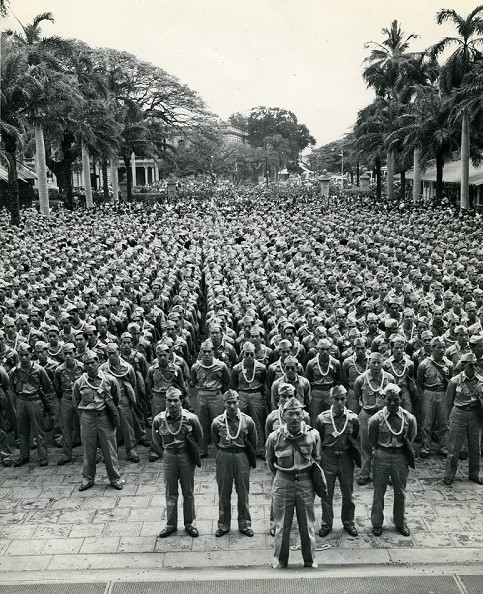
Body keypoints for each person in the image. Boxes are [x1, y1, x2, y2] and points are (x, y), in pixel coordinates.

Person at [266, 396, 322, 569]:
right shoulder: (275, 437)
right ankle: (280, 562)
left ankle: (310, 562)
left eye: (298, 413)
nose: (295, 418)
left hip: (305, 483)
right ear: (283, 415)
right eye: (291, 414)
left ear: (303, 414)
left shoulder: (313, 435)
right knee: (282, 525)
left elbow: (317, 459)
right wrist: (285, 476)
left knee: (308, 525)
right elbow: (270, 461)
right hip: (283, 482)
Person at [152, 386, 203, 538]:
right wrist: (166, 453)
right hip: (169, 456)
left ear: (181, 401)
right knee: (171, 492)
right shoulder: (159, 420)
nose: (172, 404)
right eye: (169, 400)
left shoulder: (190, 419)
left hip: (185, 456)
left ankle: (190, 523)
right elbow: (156, 441)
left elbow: (199, 437)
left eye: (176, 400)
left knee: (188, 492)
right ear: (165, 401)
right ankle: (171, 524)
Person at [368, 383, 417, 537]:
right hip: (382, 455)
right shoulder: (376, 419)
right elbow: (372, 438)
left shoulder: (409, 418)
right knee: (379, 491)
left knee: (400, 492)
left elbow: (411, 437)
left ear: (401, 399)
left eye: (396, 400)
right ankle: (377, 523)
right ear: (383, 399)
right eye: (389, 400)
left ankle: (400, 522)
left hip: (400, 456)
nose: (392, 403)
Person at [72, 350, 124, 491]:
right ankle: (87, 478)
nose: (90, 366)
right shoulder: (79, 382)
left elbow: (116, 397)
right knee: (88, 451)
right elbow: (76, 401)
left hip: (104, 417)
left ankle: (115, 478)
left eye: (93, 362)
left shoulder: (109, 380)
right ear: (84, 365)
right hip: (88, 418)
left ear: (98, 362)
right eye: (87, 363)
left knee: (110, 450)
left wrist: (110, 413)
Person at [211, 389, 257, 537]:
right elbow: (215, 441)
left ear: (239, 402)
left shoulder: (247, 420)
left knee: (243, 492)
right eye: (228, 403)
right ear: (223, 403)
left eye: (234, 402)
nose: (231, 406)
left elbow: (253, 440)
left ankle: (245, 524)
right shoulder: (217, 422)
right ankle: (224, 524)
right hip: (224, 456)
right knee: (224, 491)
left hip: (241, 456)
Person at [315, 385, 360, 538]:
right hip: (329, 458)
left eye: (342, 399)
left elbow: (355, 437)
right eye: (336, 399)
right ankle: (326, 524)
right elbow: (319, 438)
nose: (340, 402)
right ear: (331, 399)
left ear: (346, 399)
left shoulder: (353, 418)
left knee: (348, 493)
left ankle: (348, 522)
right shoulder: (323, 419)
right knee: (326, 493)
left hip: (346, 458)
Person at [9, 342, 54, 467]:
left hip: (35, 400)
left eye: (26, 354)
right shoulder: (15, 371)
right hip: (21, 400)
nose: (24, 357)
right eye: (21, 355)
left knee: (39, 431)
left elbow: (47, 385)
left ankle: (43, 456)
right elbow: (12, 386)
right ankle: (24, 455)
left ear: (31, 354)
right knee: (22, 431)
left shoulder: (39, 369)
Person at [353, 352, 394, 485]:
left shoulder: (389, 378)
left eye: (379, 363)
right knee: (365, 445)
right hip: (367, 414)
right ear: (368, 363)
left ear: (383, 363)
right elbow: (357, 395)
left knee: (384, 445)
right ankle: (365, 474)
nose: (376, 366)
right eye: (373, 363)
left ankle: (385, 474)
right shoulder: (360, 379)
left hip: (384, 415)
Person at [444, 352, 483, 485]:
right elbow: (448, 402)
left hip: (474, 414)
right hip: (458, 413)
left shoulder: (481, 381)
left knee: (475, 446)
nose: (473, 368)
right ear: (463, 365)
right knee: (454, 447)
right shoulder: (454, 381)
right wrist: (448, 419)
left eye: (475, 365)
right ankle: (449, 474)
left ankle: (475, 473)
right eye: (470, 365)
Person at [190, 339, 230, 457]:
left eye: (209, 351)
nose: (207, 354)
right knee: (203, 424)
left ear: (213, 352)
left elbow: (226, 381)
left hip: (216, 395)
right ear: (201, 352)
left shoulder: (221, 366)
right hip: (202, 395)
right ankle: (202, 449)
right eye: (204, 351)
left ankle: (222, 446)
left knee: (219, 423)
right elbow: (194, 380)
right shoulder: (195, 367)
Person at [416, 337, 453, 458]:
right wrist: (425, 393)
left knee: (444, 422)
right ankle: (425, 447)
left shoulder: (449, 364)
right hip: (428, 392)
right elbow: (420, 381)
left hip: (443, 393)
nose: (442, 350)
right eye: (439, 347)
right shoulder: (424, 364)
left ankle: (443, 447)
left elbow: (450, 381)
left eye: (444, 347)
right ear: (432, 348)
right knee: (427, 422)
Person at [231, 341, 267, 458]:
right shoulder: (237, 368)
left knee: (257, 423)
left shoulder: (261, 367)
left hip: (256, 394)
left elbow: (264, 382)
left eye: (251, 354)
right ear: (242, 354)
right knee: (240, 421)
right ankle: (240, 446)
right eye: (247, 354)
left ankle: (259, 449)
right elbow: (234, 383)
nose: (249, 357)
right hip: (242, 394)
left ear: (255, 354)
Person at [53, 343, 84, 465]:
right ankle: (66, 454)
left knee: (84, 426)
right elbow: (57, 387)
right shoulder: (59, 370)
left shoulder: (82, 367)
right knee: (66, 427)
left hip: (80, 398)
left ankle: (89, 453)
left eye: (70, 353)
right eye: (65, 354)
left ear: (75, 353)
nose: (68, 356)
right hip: (66, 398)